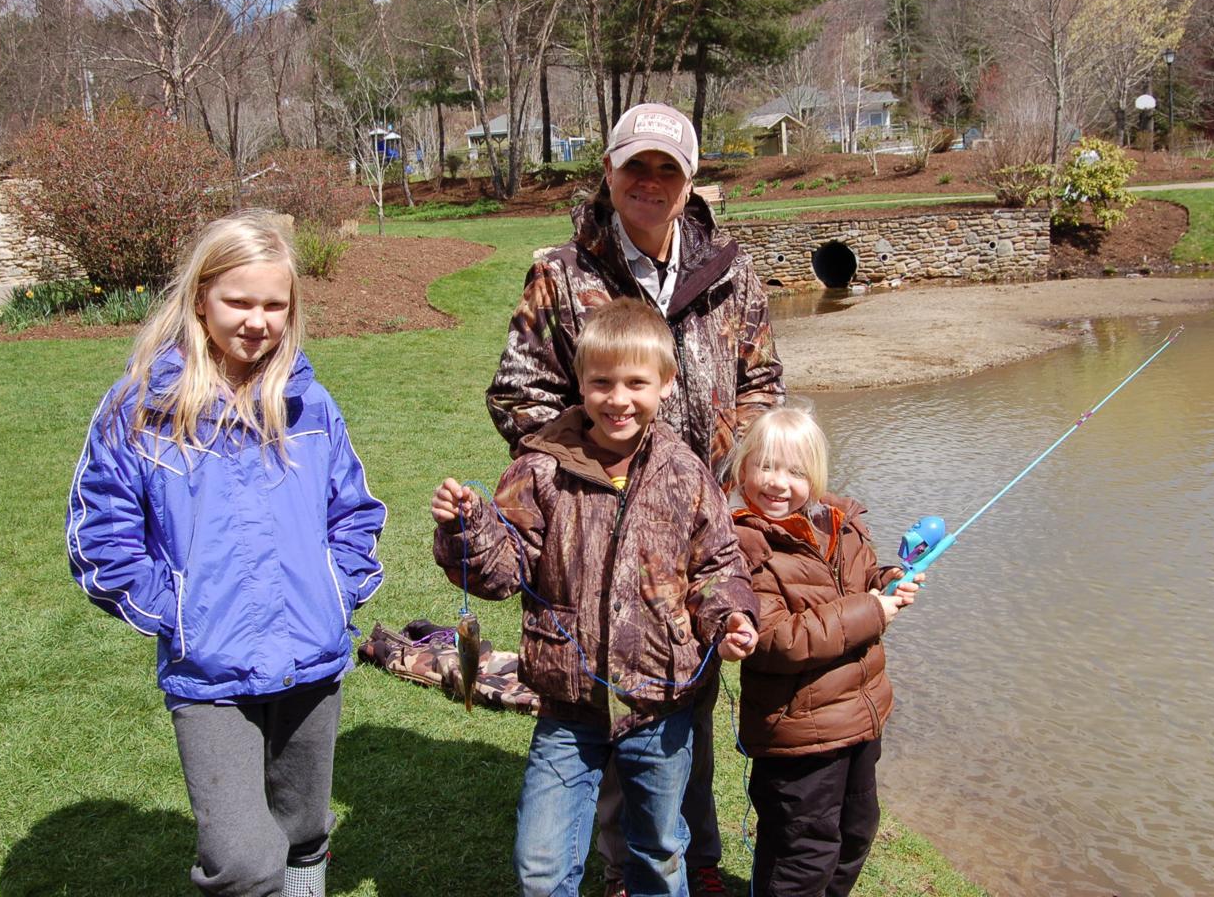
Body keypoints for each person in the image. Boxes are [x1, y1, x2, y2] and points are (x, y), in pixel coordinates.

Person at [486, 100, 784, 896]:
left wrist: (710, 466)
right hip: (593, 517)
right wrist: (592, 465)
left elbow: (763, 381)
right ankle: (630, 869)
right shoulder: (561, 273)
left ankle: (693, 855)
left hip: (697, 517)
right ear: (609, 173)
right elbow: (517, 397)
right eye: (635, 166)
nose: (650, 182)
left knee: (682, 685)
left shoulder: (731, 271)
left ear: (688, 184)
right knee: (611, 690)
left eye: (667, 169)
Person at [66, 210, 386, 896]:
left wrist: (334, 591)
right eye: (238, 301)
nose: (256, 320)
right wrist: (181, 613)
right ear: (200, 297)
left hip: (311, 658)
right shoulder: (141, 410)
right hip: (210, 671)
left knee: (303, 829)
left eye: (274, 304)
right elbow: (101, 539)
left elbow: (355, 512)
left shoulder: (309, 404)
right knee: (243, 859)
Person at [433, 297, 761, 897]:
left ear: (666, 385)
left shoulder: (685, 472)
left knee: (660, 852)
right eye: (602, 382)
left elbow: (718, 564)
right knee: (540, 866)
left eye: (637, 383)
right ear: (578, 383)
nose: (618, 399)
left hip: (662, 703)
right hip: (567, 708)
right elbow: (502, 575)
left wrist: (730, 617)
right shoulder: (538, 470)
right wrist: (467, 529)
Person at [728, 407, 922, 897]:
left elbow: (861, 581)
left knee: (856, 834)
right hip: (796, 736)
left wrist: (890, 584)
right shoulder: (743, 546)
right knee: (803, 853)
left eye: (795, 471)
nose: (778, 482)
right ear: (742, 468)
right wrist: (871, 611)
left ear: (814, 475)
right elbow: (774, 640)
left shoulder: (841, 522)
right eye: (766, 466)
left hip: (860, 720)